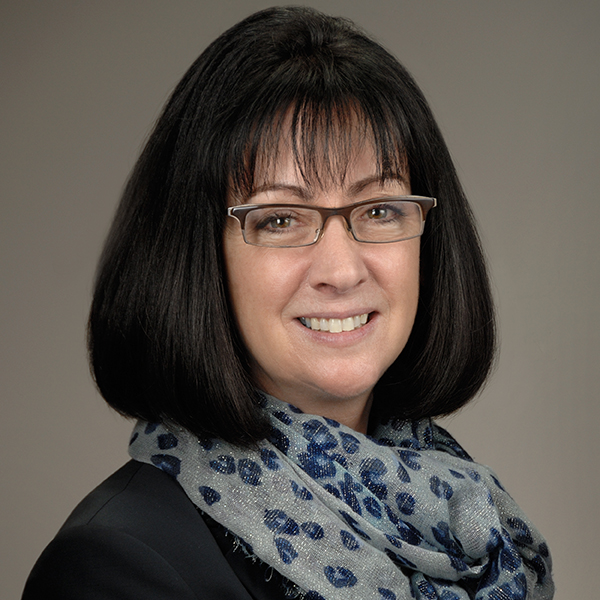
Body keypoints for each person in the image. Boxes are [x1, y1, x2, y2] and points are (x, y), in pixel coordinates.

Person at [22, 6, 554, 599]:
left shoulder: (467, 523)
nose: (342, 270)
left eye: (379, 210)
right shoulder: (114, 566)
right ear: (198, 255)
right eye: (279, 219)